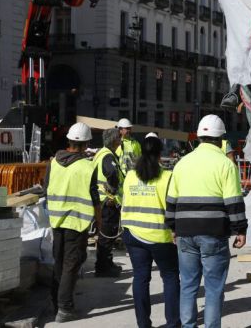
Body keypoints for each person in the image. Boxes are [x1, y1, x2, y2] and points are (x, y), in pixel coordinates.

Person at [165, 114, 247, 328]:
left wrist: (173, 227)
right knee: (213, 288)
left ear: (199, 137)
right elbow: (234, 202)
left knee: (188, 286)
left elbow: (171, 200)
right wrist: (240, 229)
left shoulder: (182, 163)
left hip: (185, 232)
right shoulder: (225, 164)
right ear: (221, 140)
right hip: (214, 232)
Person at [44, 122, 100, 323]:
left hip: (57, 220)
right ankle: (64, 308)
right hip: (77, 222)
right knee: (71, 264)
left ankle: (56, 302)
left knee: (59, 261)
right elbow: (95, 198)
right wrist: (99, 225)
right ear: (86, 144)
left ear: (69, 140)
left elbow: (46, 189)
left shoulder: (54, 163)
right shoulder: (88, 166)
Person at [122, 134, 180, 328]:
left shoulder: (130, 176)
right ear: (159, 154)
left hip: (133, 234)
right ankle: (172, 323)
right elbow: (173, 208)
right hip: (159, 237)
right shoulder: (167, 177)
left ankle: (143, 324)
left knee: (140, 278)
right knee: (170, 277)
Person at [92, 128, 124, 277]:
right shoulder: (107, 156)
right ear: (114, 140)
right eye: (119, 138)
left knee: (107, 235)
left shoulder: (102, 153)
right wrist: (112, 191)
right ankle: (103, 267)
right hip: (108, 202)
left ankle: (106, 263)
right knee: (107, 235)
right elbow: (111, 173)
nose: (121, 140)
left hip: (104, 201)